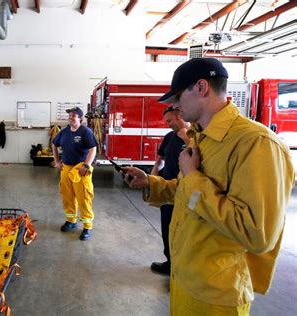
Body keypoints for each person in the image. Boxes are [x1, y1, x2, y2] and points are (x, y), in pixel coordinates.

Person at [122, 58, 294, 314]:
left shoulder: (256, 144)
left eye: (179, 96)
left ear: (202, 87)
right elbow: (188, 194)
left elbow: (257, 234)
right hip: (185, 280)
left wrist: (192, 177)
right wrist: (151, 183)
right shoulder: (202, 138)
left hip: (216, 296)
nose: (176, 106)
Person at [149, 105, 190, 275]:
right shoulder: (169, 137)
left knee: (184, 231)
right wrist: (152, 180)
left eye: (170, 121)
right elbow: (160, 160)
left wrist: (187, 139)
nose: (168, 124)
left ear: (180, 115)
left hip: (186, 192)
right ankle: (170, 262)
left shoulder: (196, 137)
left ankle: (182, 267)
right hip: (168, 190)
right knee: (167, 228)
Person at [52, 107, 97, 240]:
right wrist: (57, 161)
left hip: (80, 169)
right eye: (70, 115)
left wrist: (86, 165)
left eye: (74, 116)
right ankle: (71, 221)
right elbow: (54, 144)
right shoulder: (64, 132)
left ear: (80, 119)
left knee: (83, 197)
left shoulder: (85, 131)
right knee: (68, 195)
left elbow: (93, 149)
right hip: (66, 167)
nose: (71, 117)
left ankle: (87, 226)